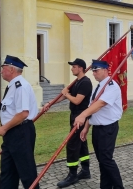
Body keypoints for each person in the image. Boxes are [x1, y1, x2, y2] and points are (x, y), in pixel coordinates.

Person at [0, 55, 39, 189]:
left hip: (20, 132)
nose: (1, 71)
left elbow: (23, 113)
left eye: (3, 68)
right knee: (8, 171)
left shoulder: (20, 86)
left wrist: (4, 128)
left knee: (27, 172)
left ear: (11, 70)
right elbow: (12, 109)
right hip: (13, 133)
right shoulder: (12, 86)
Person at [74, 60, 124, 189]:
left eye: (96, 70)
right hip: (97, 128)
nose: (94, 73)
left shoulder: (112, 86)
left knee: (106, 160)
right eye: (93, 71)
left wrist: (82, 115)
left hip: (108, 128)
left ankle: (119, 187)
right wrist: (86, 127)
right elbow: (94, 109)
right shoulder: (99, 86)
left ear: (105, 70)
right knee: (102, 161)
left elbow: (100, 104)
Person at [43, 58, 92, 188]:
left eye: (74, 66)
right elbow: (65, 96)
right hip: (74, 115)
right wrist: (50, 103)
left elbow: (76, 100)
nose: (72, 69)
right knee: (81, 143)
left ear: (80, 68)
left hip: (81, 117)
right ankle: (86, 171)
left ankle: (72, 175)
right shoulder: (77, 82)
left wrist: (66, 93)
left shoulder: (85, 83)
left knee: (72, 144)